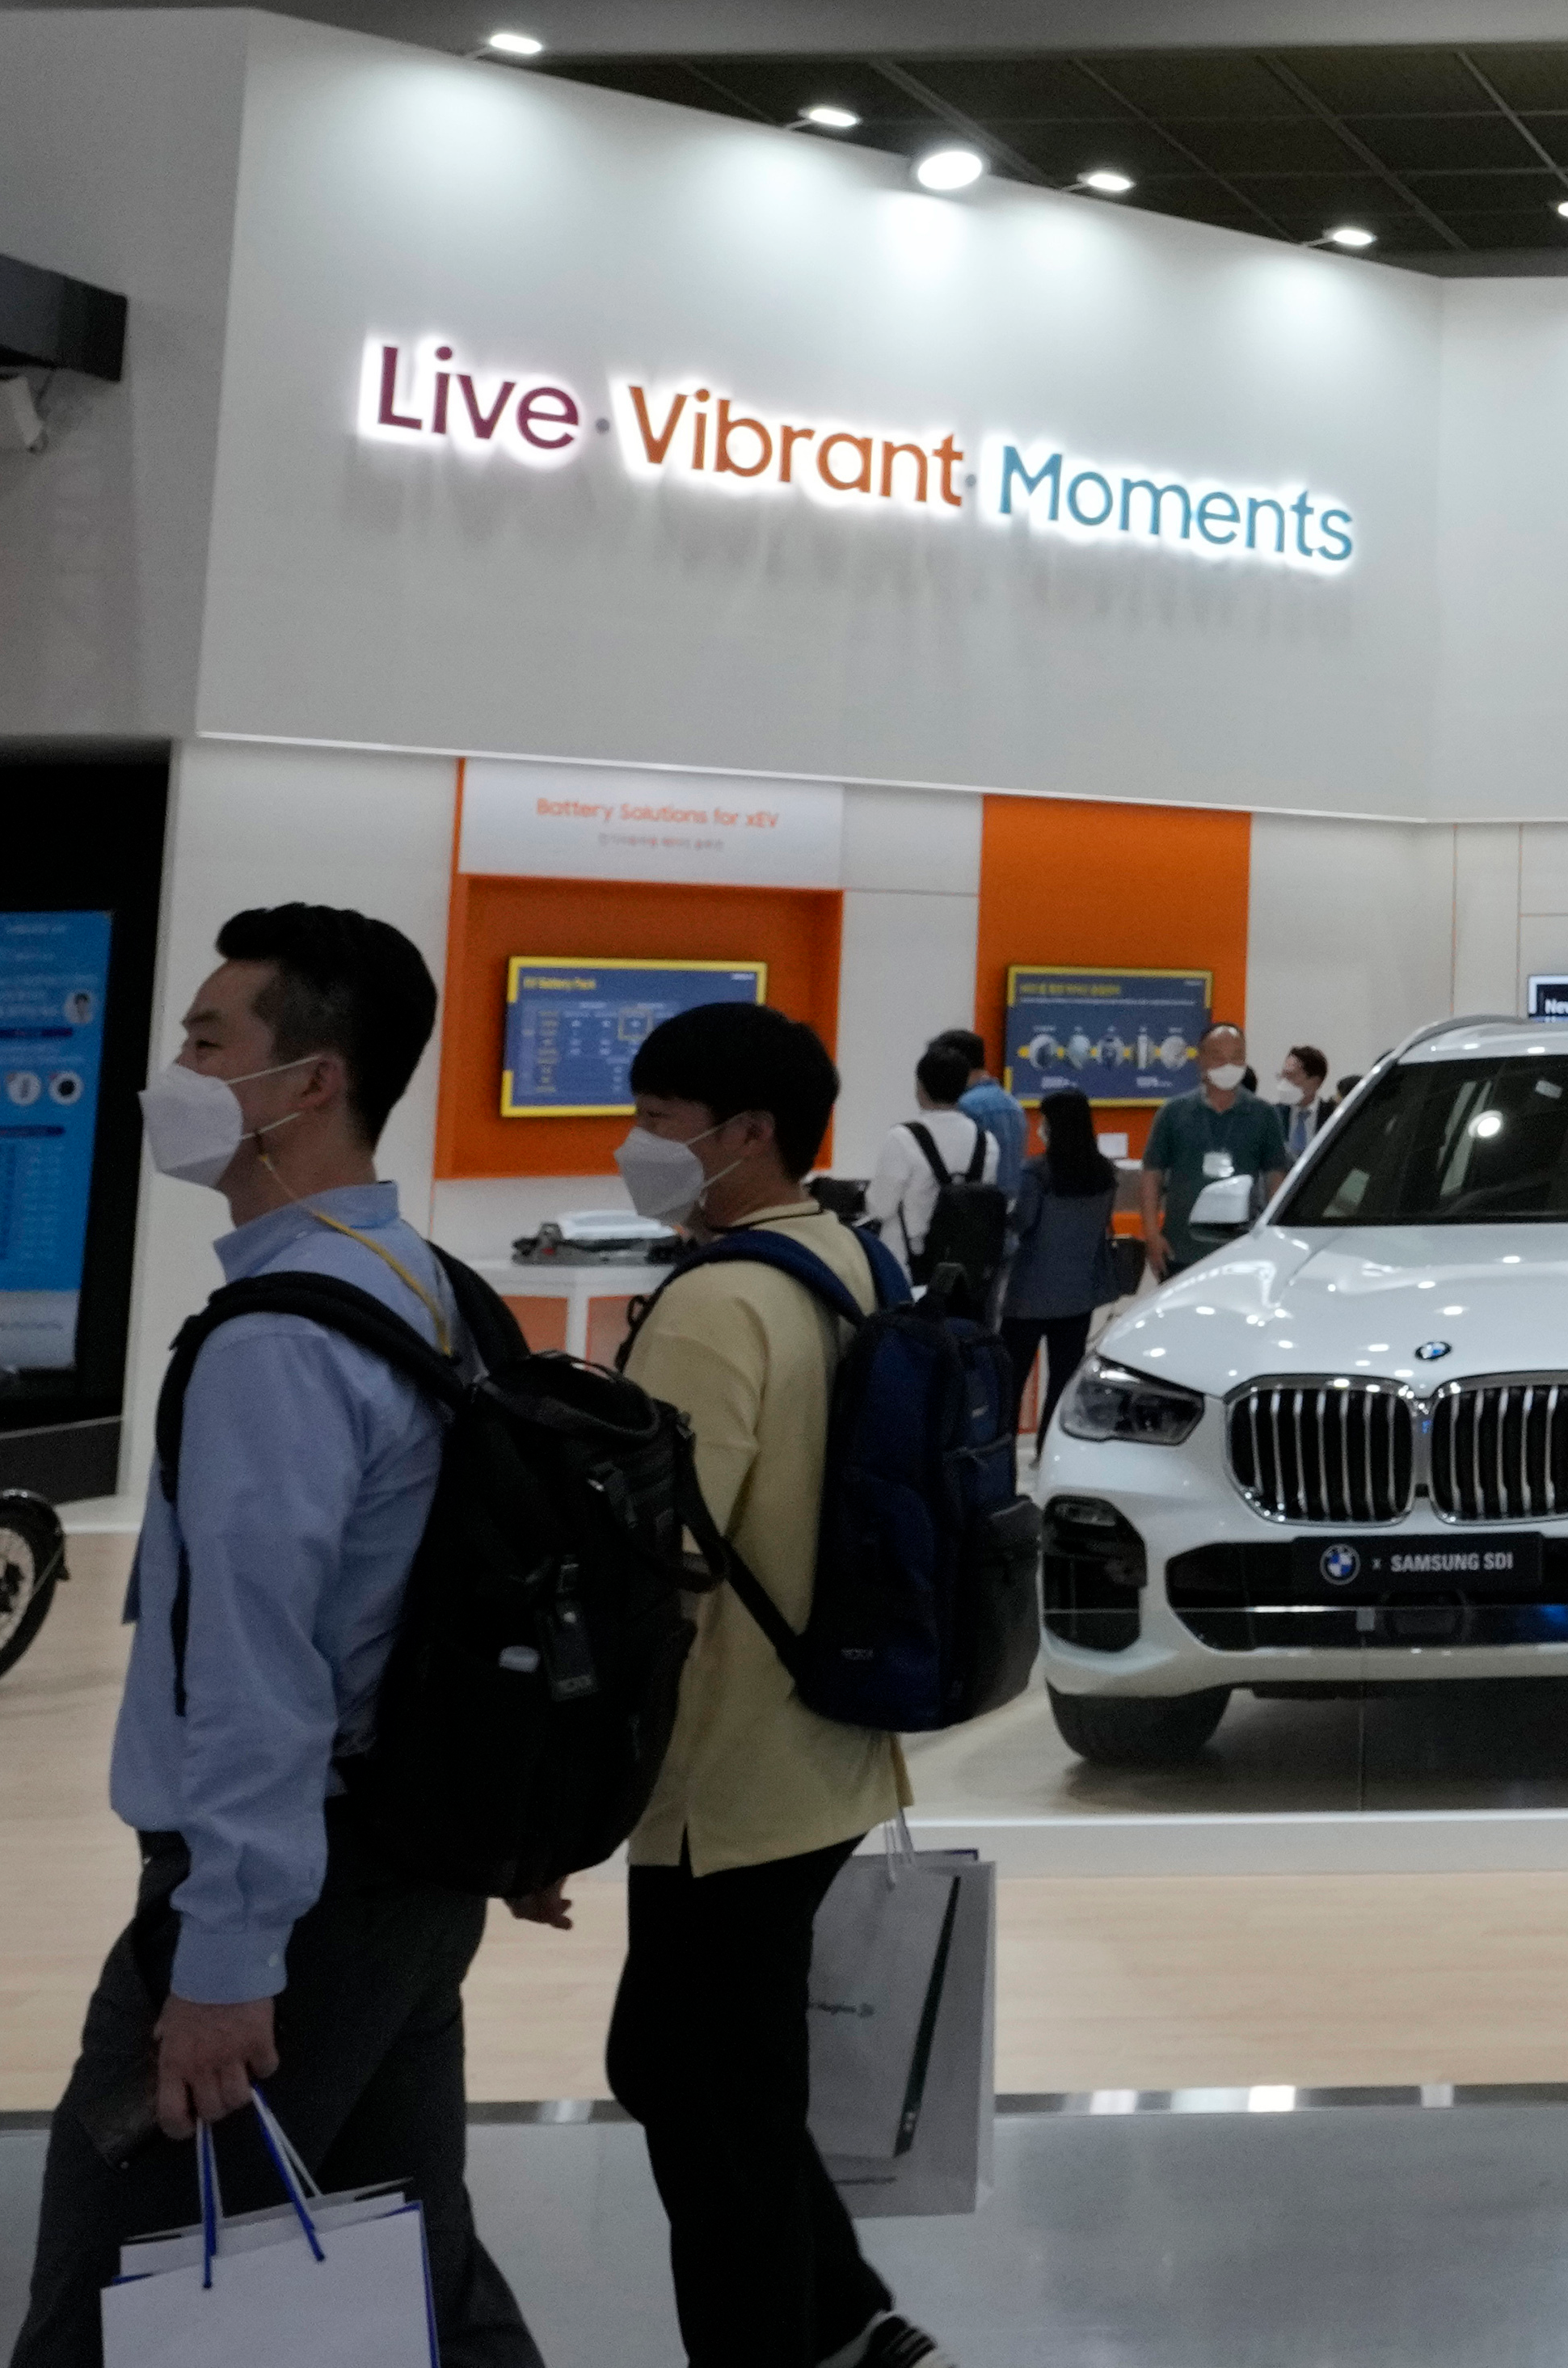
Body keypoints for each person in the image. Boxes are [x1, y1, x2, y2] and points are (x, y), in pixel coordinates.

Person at [7, 906, 543, 2368]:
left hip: (290, 1900)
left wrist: (225, 1955)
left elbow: (256, 1673)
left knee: (111, 2303)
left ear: (308, 1081)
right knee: (416, 2270)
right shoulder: (434, 1290)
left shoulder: (274, 1344)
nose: (174, 1072)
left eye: (206, 1042)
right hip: (410, 1873)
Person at [605, 1001, 936, 2368]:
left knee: (707, 2107)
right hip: (830, 1740)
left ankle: (797, 2337)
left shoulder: (712, 1303)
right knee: (697, 2068)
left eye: (658, 1119)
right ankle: (850, 2320)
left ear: (747, 1133)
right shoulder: (850, 1260)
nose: (635, 1142)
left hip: (722, 1771)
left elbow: (653, 1569)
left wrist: (572, 1793)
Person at [866, 1028, 1022, 1309]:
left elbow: (880, 1207)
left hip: (906, 1267)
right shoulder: (985, 1142)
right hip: (963, 1271)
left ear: (920, 1086)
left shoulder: (902, 1138)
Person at [1003, 1090, 1120, 1449]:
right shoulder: (1104, 1173)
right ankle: (1050, 1451)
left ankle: (1001, 1457)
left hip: (1029, 1295)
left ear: (1053, 1125)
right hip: (1078, 1295)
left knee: (1010, 1383)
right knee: (1063, 1383)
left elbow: (1024, 1223)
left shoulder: (1037, 1173)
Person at [1142, 1024, 1292, 1276]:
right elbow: (1151, 1175)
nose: (1228, 1065)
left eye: (1237, 1057)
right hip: (1182, 1249)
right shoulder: (1173, 1112)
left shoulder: (1264, 1115)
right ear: (1200, 1060)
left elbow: (1275, 1179)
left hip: (1242, 1250)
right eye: (1218, 1057)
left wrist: (1275, 1236)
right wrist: (1151, 1233)